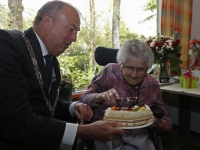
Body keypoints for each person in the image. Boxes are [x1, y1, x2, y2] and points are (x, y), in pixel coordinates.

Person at [0, 1, 130, 149]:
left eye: (77, 32)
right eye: (71, 29)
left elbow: (44, 106)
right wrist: (86, 131)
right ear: (47, 22)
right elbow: (15, 121)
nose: (74, 39)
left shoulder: (52, 62)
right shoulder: (7, 44)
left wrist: (72, 107)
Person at [79, 39, 172, 150]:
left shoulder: (151, 85)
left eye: (140, 69)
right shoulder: (109, 71)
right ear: (121, 65)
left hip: (137, 132)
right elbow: (83, 99)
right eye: (130, 68)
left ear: (147, 69)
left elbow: (167, 123)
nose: (134, 75)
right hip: (106, 129)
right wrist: (100, 96)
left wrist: (152, 120)